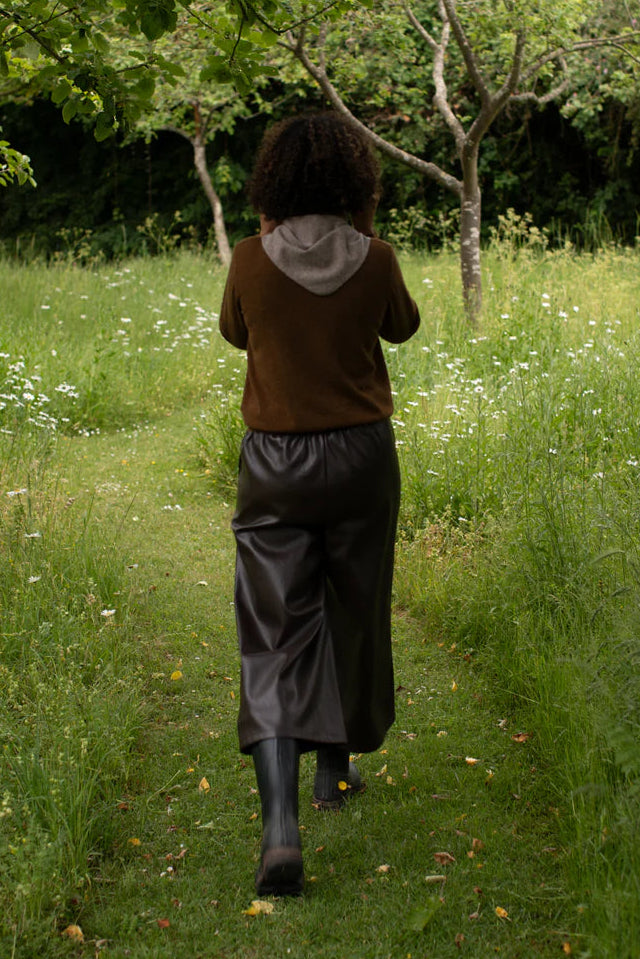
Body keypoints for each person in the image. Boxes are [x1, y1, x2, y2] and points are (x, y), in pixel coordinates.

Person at [219, 112, 420, 897]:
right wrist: (365, 231)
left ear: (272, 183)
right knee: (354, 603)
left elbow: (238, 333)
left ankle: (279, 831)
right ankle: (334, 771)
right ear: (355, 184)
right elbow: (402, 327)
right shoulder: (375, 259)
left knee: (273, 628)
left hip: (275, 461)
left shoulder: (248, 260)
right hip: (363, 456)